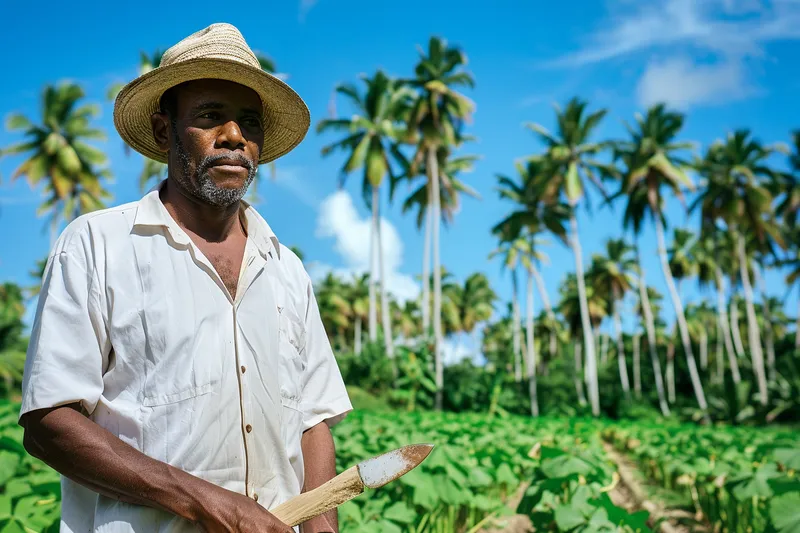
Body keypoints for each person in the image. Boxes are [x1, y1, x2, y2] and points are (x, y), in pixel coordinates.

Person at [18, 23, 352, 533]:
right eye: (211, 116)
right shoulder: (97, 246)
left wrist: (322, 524)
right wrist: (203, 501)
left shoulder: (287, 268)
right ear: (162, 131)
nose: (235, 137)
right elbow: (49, 424)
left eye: (249, 123)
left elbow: (313, 419)